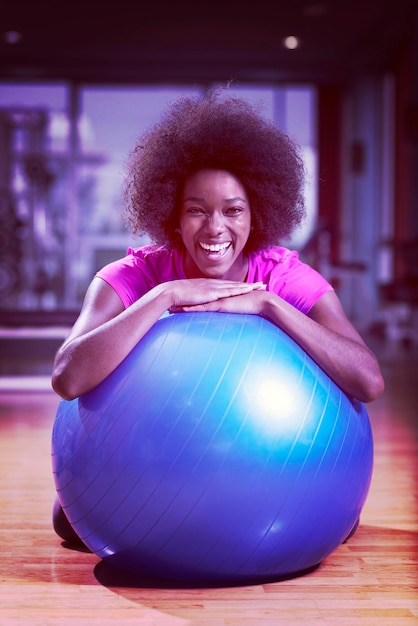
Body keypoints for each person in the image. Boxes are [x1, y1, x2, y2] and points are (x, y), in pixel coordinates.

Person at [51, 87, 384, 547]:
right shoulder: (133, 275)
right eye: (196, 211)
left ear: (257, 214)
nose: (214, 228)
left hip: (269, 469)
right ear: (171, 214)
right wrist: (165, 295)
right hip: (149, 465)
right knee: (70, 521)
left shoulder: (284, 277)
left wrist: (269, 305)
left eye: (233, 210)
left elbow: (368, 380)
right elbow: (68, 379)